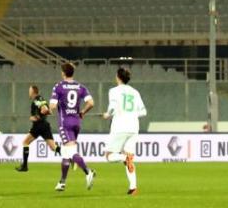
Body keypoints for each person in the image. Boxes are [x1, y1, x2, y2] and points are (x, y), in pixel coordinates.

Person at [49, 62, 95, 192]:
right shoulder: (80, 87)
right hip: (76, 122)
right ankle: (62, 182)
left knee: (70, 152)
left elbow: (52, 105)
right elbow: (91, 103)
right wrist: (83, 112)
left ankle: (88, 171)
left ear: (63, 73)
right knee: (65, 152)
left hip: (65, 124)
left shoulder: (59, 86)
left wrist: (49, 109)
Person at [101, 66, 146, 196]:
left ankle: (124, 158)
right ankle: (133, 187)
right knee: (130, 158)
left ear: (118, 77)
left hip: (120, 126)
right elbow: (143, 112)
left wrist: (107, 115)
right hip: (133, 127)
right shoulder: (135, 92)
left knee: (109, 156)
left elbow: (112, 108)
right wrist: (131, 114)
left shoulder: (114, 91)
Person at [16, 85, 57, 172]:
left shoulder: (37, 99)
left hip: (39, 126)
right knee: (53, 148)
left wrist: (37, 117)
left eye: (29, 90)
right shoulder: (40, 99)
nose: (29, 92)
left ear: (33, 91)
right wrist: (43, 113)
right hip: (44, 125)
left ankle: (25, 166)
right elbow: (49, 111)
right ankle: (70, 157)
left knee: (25, 142)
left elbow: (45, 109)